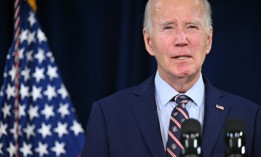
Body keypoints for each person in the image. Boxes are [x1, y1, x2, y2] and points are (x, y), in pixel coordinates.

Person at [81, 0, 261, 156]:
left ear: (209, 40)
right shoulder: (108, 116)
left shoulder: (249, 118)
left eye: (192, 26)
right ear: (148, 41)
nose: (181, 39)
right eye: (168, 27)